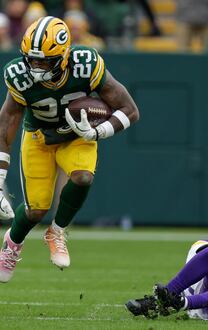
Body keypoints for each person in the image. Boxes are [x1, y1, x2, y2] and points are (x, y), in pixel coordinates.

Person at [0, 16, 139, 283]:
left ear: (63, 57)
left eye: (44, 60)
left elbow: (130, 110)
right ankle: (12, 244)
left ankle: (57, 231)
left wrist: (98, 132)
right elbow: (6, 123)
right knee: (35, 211)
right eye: (31, 59)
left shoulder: (86, 64)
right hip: (39, 138)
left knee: (83, 177)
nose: (36, 67)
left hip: (77, 135)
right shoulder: (18, 75)